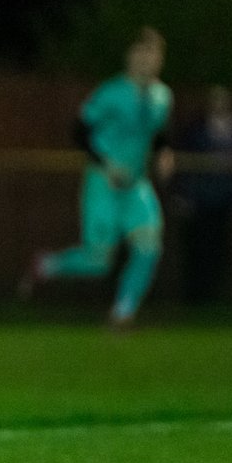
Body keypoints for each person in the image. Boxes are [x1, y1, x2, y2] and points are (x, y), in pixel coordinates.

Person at [22, 27, 173, 329]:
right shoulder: (110, 92)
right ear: (130, 57)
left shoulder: (162, 96)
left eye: (153, 54)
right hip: (102, 182)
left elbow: (155, 133)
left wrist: (164, 151)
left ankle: (123, 311)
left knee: (149, 245)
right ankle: (47, 265)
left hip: (136, 185)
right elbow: (79, 131)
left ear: (160, 60)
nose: (147, 60)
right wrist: (106, 164)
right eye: (141, 53)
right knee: (98, 262)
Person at [173, 85, 232, 305]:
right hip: (200, 199)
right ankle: (194, 296)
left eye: (222, 101)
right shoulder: (198, 129)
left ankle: (214, 296)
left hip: (222, 200)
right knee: (197, 248)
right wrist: (184, 195)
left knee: (219, 248)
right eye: (215, 100)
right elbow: (185, 162)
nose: (219, 105)